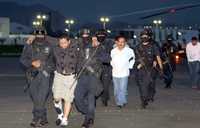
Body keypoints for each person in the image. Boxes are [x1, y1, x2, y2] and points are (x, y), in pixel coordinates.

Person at [20, 30, 54, 127]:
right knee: (36, 99)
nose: (39, 36)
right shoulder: (29, 45)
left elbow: (54, 62)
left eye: (41, 34)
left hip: (45, 76)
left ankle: (36, 118)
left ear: (44, 35)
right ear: (34, 35)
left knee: (41, 98)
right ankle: (44, 118)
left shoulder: (49, 46)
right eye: (37, 34)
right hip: (31, 76)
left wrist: (44, 66)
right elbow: (22, 59)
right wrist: (32, 63)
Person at [74, 29, 106, 128]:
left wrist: (98, 47)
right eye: (83, 34)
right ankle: (89, 113)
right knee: (78, 98)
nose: (85, 36)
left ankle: (88, 120)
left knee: (90, 98)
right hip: (81, 76)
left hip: (93, 76)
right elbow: (58, 41)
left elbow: (107, 58)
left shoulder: (97, 45)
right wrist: (32, 38)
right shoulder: (77, 44)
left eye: (87, 34)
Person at [52, 34, 79, 126]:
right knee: (56, 97)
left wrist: (94, 38)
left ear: (69, 41)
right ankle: (60, 113)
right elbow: (48, 39)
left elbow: (80, 40)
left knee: (68, 99)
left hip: (71, 77)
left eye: (65, 42)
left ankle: (64, 118)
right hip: (59, 75)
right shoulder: (55, 49)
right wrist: (33, 37)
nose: (62, 44)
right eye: (61, 43)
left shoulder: (75, 49)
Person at [134, 29, 163, 109]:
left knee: (149, 85)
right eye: (142, 36)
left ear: (149, 37)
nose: (144, 37)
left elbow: (158, 57)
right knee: (141, 85)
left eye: (146, 36)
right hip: (141, 68)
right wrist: (138, 64)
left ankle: (147, 97)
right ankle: (144, 100)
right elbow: (135, 58)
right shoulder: (137, 47)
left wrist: (161, 68)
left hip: (151, 68)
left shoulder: (153, 46)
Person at [110, 35, 135, 108]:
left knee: (122, 88)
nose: (121, 43)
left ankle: (120, 103)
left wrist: (129, 67)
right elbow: (111, 60)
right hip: (115, 73)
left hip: (124, 73)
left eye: (123, 42)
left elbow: (132, 59)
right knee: (116, 90)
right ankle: (122, 100)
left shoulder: (129, 50)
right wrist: (113, 65)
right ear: (116, 42)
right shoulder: (113, 51)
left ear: (125, 43)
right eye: (119, 42)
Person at [96, 30, 113, 106]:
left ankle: (105, 99)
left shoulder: (110, 44)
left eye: (102, 35)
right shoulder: (94, 43)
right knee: (96, 85)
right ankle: (94, 99)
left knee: (105, 85)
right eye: (99, 35)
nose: (100, 36)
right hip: (96, 67)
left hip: (107, 67)